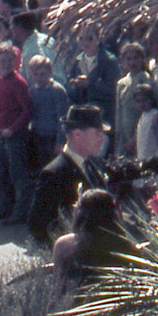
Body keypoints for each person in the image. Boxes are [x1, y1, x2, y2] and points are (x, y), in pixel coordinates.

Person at [28, 102, 109, 245]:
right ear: (77, 134)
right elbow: (38, 226)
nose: (102, 139)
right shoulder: (54, 174)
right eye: (97, 134)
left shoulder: (92, 165)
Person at [52, 188, 134, 292]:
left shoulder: (64, 244)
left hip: (78, 305)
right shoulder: (127, 247)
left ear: (79, 214)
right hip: (116, 303)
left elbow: (57, 286)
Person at [0, 42, 33, 224]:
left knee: (18, 174)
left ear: (15, 61)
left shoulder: (18, 82)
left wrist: (12, 129)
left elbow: (27, 111)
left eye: (9, 60)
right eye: (2, 60)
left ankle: (20, 212)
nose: (6, 64)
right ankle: (3, 206)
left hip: (15, 135)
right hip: (0, 133)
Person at [66, 23, 120, 128]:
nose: (85, 43)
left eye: (90, 39)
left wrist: (89, 84)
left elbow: (114, 90)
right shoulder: (78, 60)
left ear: (99, 39)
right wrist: (75, 85)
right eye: (81, 39)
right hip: (82, 118)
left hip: (103, 117)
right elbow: (69, 88)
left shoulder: (109, 60)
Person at [26, 53, 69, 167]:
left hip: (52, 136)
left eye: (43, 74)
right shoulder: (33, 90)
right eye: (36, 74)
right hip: (37, 135)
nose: (39, 78)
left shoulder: (57, 90)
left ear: (50, 73)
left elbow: (62, 118)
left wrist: (60, 142)